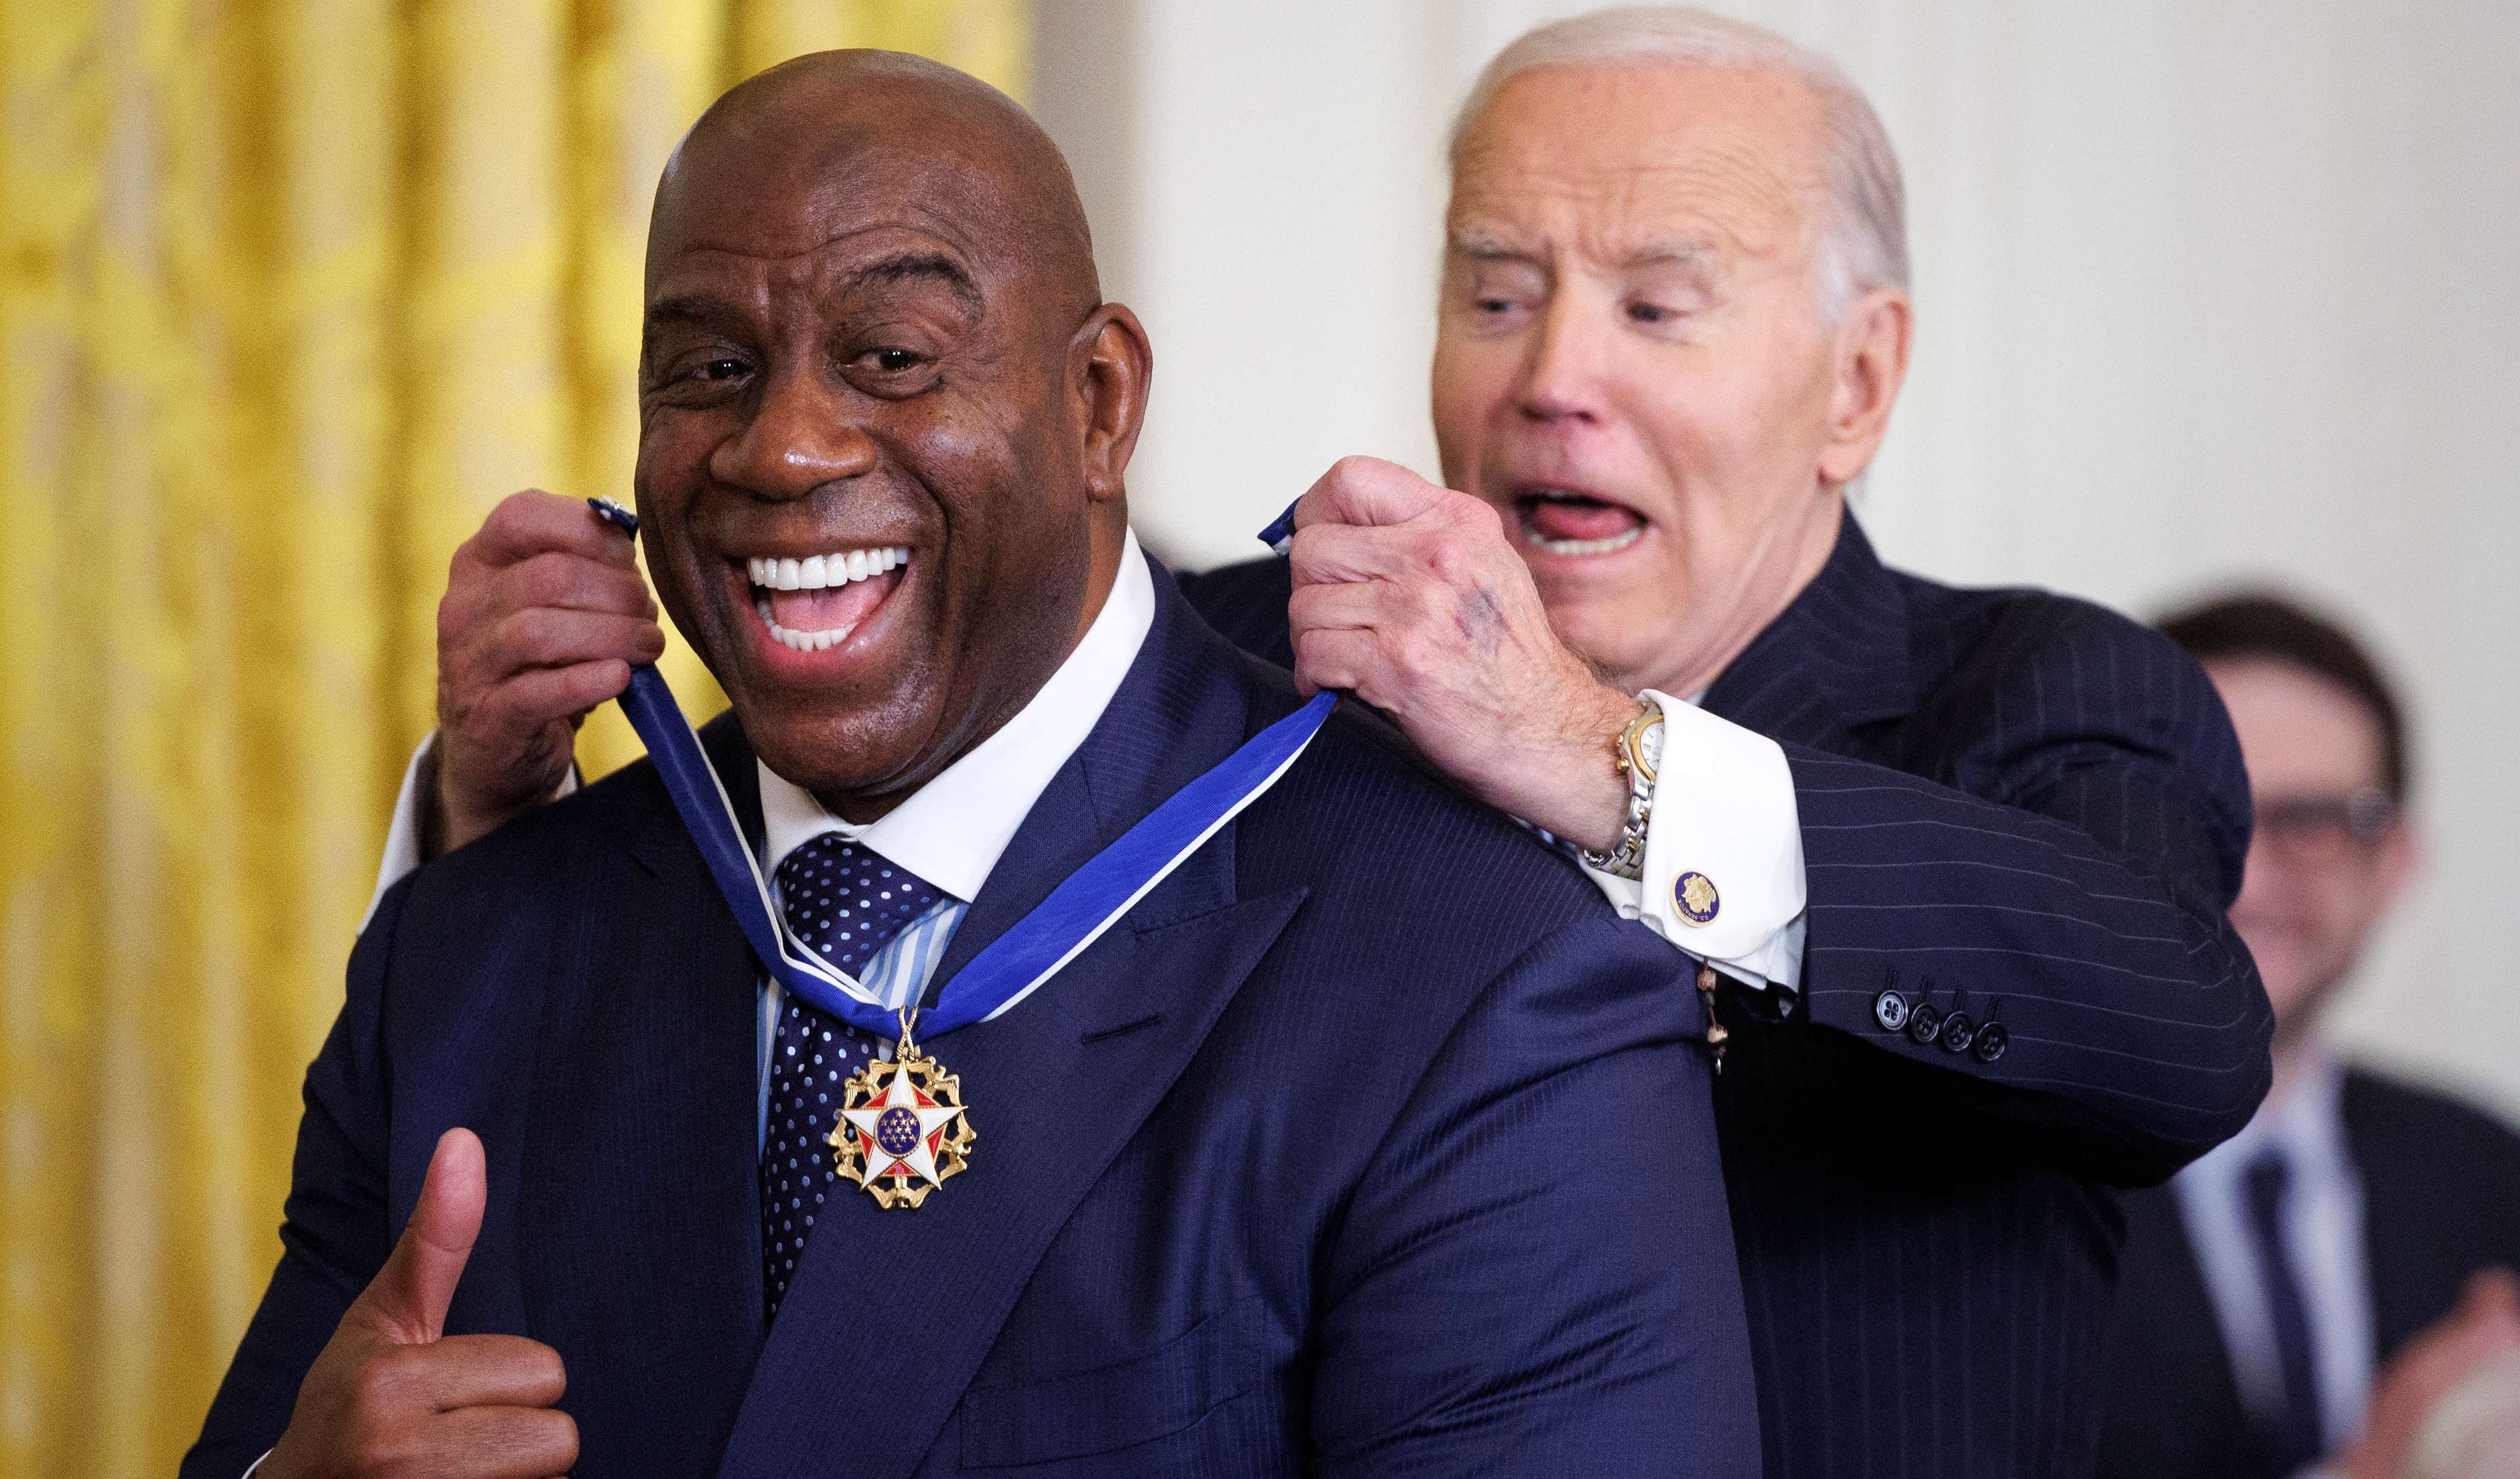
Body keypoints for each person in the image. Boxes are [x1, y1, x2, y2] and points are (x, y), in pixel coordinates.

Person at [388, 10, 2272, 1476]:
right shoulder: (1238, 668)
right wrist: (493, 808)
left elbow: (2176, 1028)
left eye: (1656, 305)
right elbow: (812, 834)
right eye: (1496, 289)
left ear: (1857, 379)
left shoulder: (2038, 696)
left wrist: (1592, 748)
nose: (1553, 376)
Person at [182, 50, 1758, 1479]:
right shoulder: (467, 947)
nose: (782, 447)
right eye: (710, 370)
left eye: (891, 355)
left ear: (1098, 403)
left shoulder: (1487, 983)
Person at [2096, 594, 2520, 1479]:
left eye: (2314, 821)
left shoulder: (2486, 1171)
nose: (2248, 874)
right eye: (2203, 814)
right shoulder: (1980, 1189)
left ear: (2395, 862)